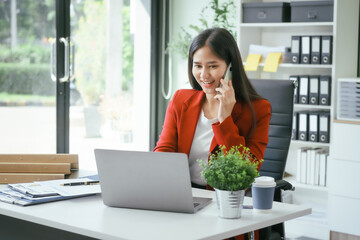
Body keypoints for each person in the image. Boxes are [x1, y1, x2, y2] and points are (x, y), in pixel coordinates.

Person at [154, 27, 271, 190]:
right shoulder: (181, 100)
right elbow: (165, 150)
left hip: (224, 199)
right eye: (198, 66)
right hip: (180, 192)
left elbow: (246, 170)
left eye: (213, 66)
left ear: (230, 67)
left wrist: (225, 120)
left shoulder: (258, 109)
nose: (204, 75)